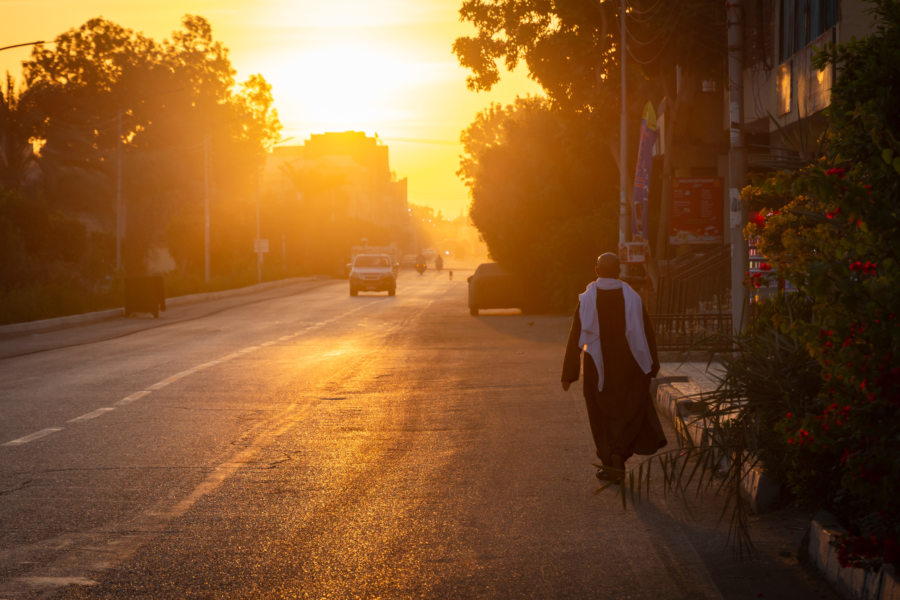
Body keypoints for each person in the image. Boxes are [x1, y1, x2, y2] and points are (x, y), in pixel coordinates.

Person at [561, 252, 666, 482]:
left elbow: (576, 334)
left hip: (597, 368)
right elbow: (646, 334)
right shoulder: (633, 298)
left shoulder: (587, 299)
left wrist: (569, 373)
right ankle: (618, 456)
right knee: (627, 410)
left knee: (601, 415)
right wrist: (652, 366)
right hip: (629, 367)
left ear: (597, 271)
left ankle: (611, 461)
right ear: (619, 271)